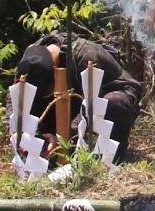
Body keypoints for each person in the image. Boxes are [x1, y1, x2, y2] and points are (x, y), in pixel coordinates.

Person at [16, 32, 143, 161]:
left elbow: (90, 105)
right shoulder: (31, 58)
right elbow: (16, 97)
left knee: (114, 103)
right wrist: (19, 133)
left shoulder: (86, 56)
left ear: (55, 69)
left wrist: (62, 137)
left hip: (106, 95)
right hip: (73, 97)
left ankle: (113, 155)